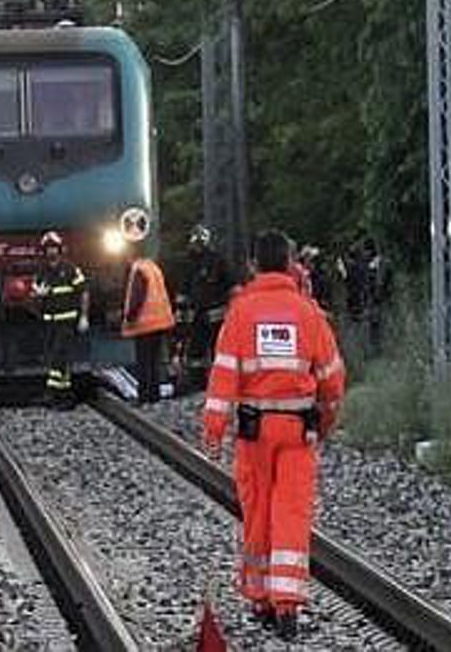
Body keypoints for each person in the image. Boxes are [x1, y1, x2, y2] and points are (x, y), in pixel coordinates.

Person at [200, 229, 346, 640]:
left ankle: (260, 596)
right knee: (291, 513)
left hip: (253, 433)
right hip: (299, 432)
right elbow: (332, 379)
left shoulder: (241, 313)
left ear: (252, 266)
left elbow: (223, 374)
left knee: (258, 511)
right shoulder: (309, 314)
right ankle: (287, 606)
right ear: (289, 264)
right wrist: (327, 420)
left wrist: (213, 428)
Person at [32, 231, 90, 410]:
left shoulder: (70, 269)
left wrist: (84, 317)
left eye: (54, 248)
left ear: (60, 250)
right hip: (49, 323)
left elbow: (84, 292)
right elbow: (34, 295)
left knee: (59, 358)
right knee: (56, 359)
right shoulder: (41, 272)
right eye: (48, 249)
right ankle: (63, 396)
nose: (51, 252)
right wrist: (37, 297)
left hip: (67, 322)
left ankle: (53, 393)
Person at [179, 225, 232, 386]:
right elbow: (184, 289)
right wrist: (182, 315)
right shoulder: (189, 262)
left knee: (216, 348)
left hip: (215, 313)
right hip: (197, 314)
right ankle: (199, 382)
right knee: (197, 350)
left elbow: (230, 285)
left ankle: (218, 381)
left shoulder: (217, 261)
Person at [122, 255, 175, 405]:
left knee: (143, 362)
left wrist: (129, 317)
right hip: (159, 322)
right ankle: (154, 395)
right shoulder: (153, 267)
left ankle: (144, 396)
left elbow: (137, 296)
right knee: (154, 361)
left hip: (145, 324)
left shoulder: (138, 270)